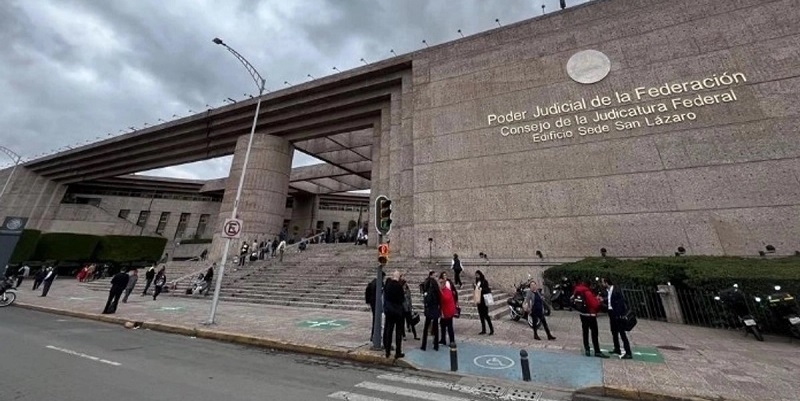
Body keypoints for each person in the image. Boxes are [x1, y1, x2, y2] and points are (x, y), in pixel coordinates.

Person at [573, 281, 609, 358]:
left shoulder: (577, 290)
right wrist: (598, 301)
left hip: (582, 314)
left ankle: (587, 349)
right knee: (594, 333)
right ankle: (597, 351)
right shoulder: (587, 292)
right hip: (590, 314)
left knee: (585, 332)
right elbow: (595, 304)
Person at [602, 277, 632, 359]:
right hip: (611, 312)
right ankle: (617, 348)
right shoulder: (608, 291)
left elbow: (621, 302)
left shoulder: (616, 290)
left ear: (606, 282)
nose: (602, 284)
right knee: (614, 331)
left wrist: (619, 314)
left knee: (622, 332)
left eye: (603, 282)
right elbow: (609, 300)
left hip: (617, 313)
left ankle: (628, 352)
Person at [382, 271, 406, 359]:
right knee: (398, 332)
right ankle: (398, 352)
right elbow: (402, 299)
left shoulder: (387, 285)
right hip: (398, 312)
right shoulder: (399, 286)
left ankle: (387, 351)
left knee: (389, 331)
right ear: (399, 277)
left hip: (389, 311)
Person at [420, 271, 441, 351]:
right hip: (434, 307)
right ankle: (436, 345)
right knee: (435, 326)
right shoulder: (434, 284)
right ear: (431, 275)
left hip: (429, 307)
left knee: (426, 327)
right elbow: (438, 296)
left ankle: (423, 345)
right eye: (435, 275)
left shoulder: (426, 282)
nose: (436, 277)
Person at [438, 272, 458, 346]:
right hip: (445, 311)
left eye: (440, 283)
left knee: (449, 326)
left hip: (447, 312)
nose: (439, 285)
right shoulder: (443, 290)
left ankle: (451, 341)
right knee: (443, 326)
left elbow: (445, 300)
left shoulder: (445, 291)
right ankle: (443, 339)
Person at [365, 269, 385, 341]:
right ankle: (374, 335)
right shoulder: (380, 283)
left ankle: (374, 334)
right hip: (377, 303)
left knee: (375, 318)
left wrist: (368, 301)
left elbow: (367, 291)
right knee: (376, 319)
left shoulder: (372, 282)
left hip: (372, 303)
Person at [474, 270, 495, 335]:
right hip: (479, 300)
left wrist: (480, 288)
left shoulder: (484, 281)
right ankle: (483, 329)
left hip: (484, 300)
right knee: (481, 316)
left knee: (486, 315)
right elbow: (476, 289)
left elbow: (486, 289)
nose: (477, 276)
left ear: (480, 275)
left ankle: (491, 329)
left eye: (478, 275)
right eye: (476, 275)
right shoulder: (477, 281)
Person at [400, 274, 419, 340]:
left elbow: (409, 298)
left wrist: (411, 307)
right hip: (402, 309)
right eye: (404, 285)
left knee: (411, 322)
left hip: (408, 308)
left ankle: (415, 335)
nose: (405, 286)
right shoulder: (400, 290)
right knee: (402, 322)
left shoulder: (407, 290)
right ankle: (403, 335)